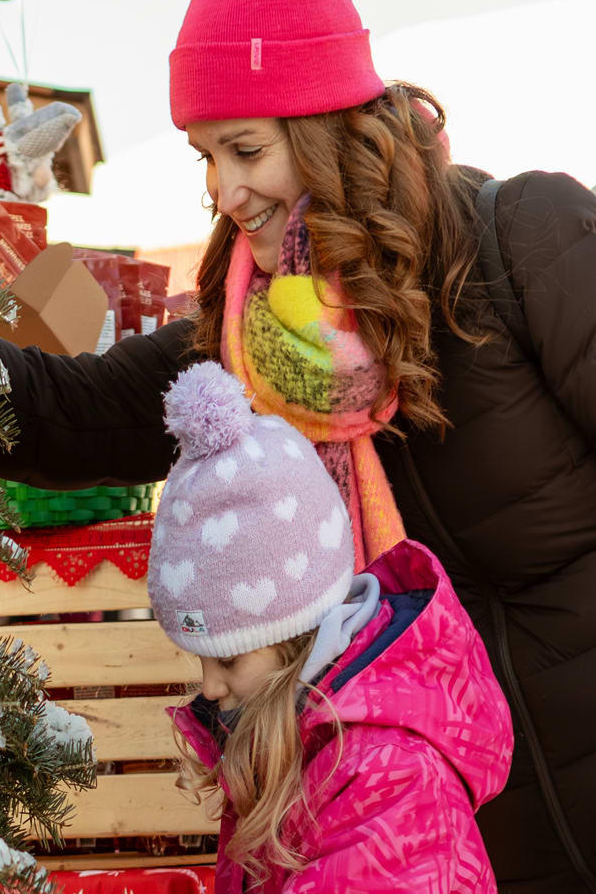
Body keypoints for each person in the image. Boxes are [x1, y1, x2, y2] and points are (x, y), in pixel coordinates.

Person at [0, 0, 596, 892]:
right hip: (477, 851)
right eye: (205, 156)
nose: (225, 190)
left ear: (321, 125)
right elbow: (69, 414)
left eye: (245, 149)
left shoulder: (523, 243)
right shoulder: (248, 335)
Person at [150, 360, 512, 892]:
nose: (209, 687)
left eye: (228, 659)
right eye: (201, 659)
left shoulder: (389, 780)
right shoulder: (284, 737)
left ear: (298, 638)